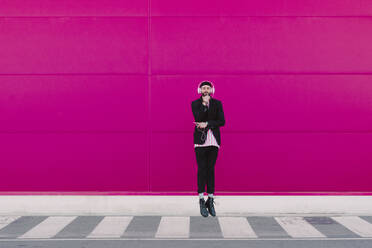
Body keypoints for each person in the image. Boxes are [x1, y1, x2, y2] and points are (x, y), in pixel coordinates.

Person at [191, 80, 225, 217]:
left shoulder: (218, 103)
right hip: (200, 142)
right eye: (203, 88)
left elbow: (222, 121)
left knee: (211, 169)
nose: (206, 90)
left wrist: (207, 124)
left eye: (208, 88)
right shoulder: (195, 103)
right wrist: (204, 104)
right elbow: (197, 116)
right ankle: (201, 199)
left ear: (212, 90)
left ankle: (210, 199)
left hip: (213, 141)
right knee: (201, 169)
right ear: (200, 90)